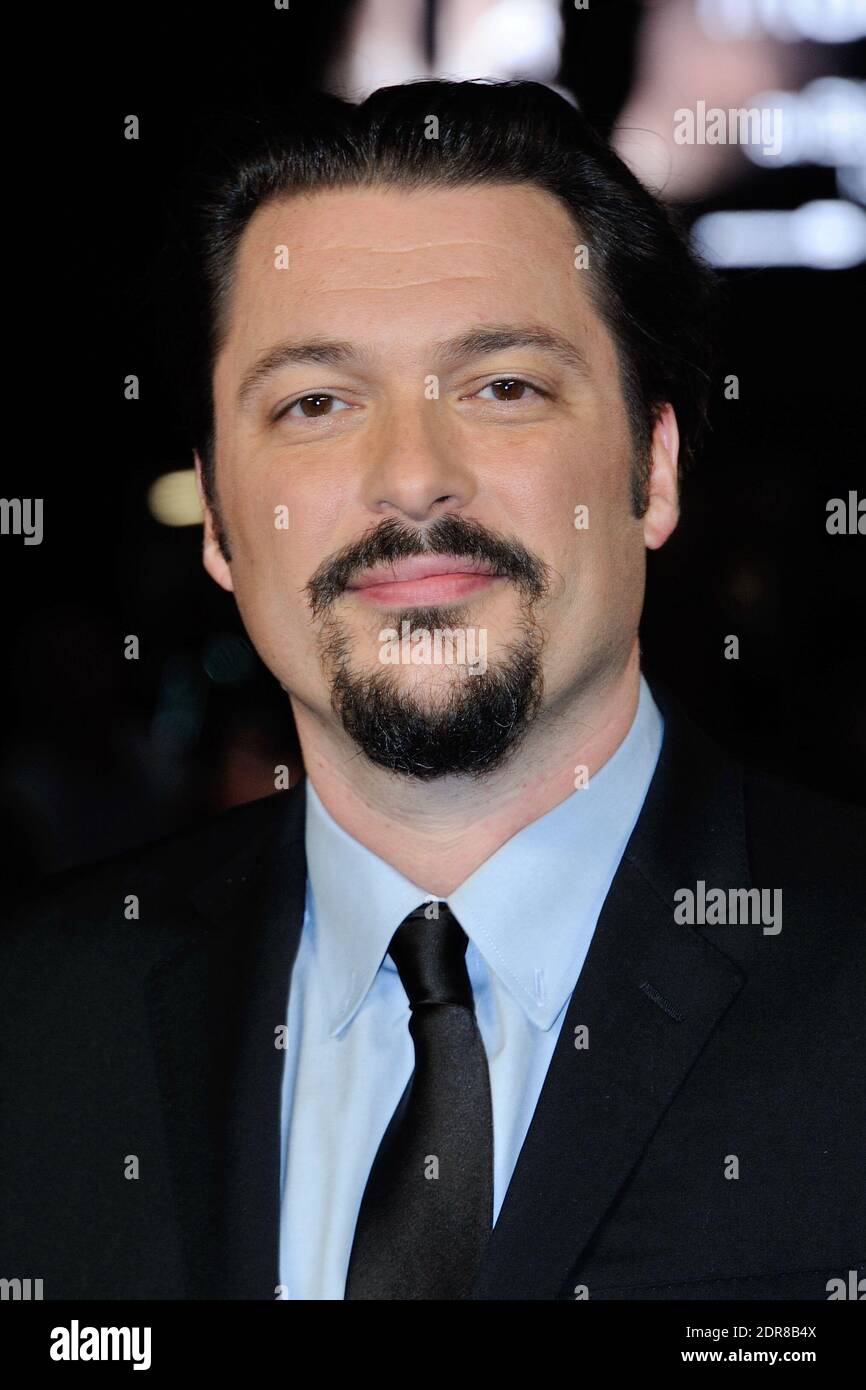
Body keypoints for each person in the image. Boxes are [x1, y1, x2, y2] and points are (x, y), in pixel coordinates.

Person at [2, 81, 863, 1302]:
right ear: (218, 516)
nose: (410, 479)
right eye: (313, 403)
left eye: (501, 386)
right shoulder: (36, 1027)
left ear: (652, 466)